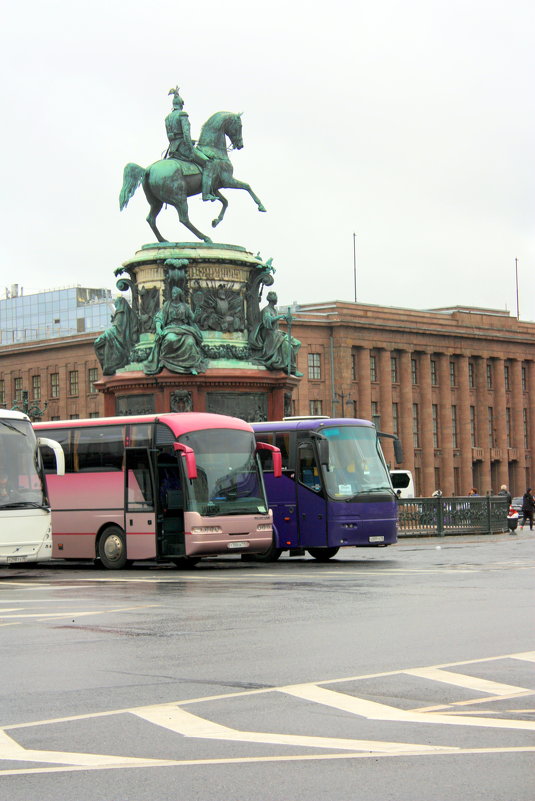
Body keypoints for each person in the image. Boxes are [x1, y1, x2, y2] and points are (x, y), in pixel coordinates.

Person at [165, 87, 216, 202]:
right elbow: (186, 134)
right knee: (209, 163)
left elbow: (170, 135)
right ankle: (206, 194)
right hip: (184, 148)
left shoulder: (167, 118)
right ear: (181, 104)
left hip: (173, 149)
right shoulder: (183, 115)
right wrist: (189, 145)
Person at [143, 286, 207, 376]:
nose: (173, 295)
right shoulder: (167, 305)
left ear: (179, 295)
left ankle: (191, 366)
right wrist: (158, 328)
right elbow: (159, 317)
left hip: (184, 328)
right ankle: (164, 361)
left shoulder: (185, 306)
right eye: (172, 293)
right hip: (171, 328)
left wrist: (197, 312)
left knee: (190, 342)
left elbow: (193, 319)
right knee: (169, 340)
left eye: (175, 293)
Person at [249, 291, 302, 376]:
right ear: (272, 299)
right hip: (270, 335)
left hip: (276, 333)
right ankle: (291, 368)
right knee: (287, 346)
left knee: (297, 343)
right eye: (276, 297)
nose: (277, 299)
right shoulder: (266, 309)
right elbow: (268, 321)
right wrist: (280, 317)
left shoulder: (274, 310)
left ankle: (289, 366)